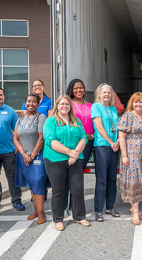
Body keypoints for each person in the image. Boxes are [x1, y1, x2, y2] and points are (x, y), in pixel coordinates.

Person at [44, 95, 90, 231]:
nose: (65, 106)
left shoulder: (76, 120)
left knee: (77, 189)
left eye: (67, 104)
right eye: (62, 104)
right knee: (59, 190)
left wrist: (75, 153)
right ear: (57, 106)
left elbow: (83, 138)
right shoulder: (51, 121)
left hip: (75, 159)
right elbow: (50, 140)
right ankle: (58, 219)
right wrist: (69, 153)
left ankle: (79, 216)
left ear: (70, 106)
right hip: (55, 160)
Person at [118, 92, 142, 225]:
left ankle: (134, 208)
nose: (138, 104)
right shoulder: (127, 116)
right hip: (132, 152)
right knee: (134, 180)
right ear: (131, 103)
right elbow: (121, 137)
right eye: (136, 102)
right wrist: (125, 155)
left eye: (141, 102)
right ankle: (136, 212)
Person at [14, 94, 48, 224]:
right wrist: (23, 153)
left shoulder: (41, 117)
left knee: (38, 182)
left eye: (34, 102)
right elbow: (16, 139)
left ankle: (41, 212)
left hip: (37, 156)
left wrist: (32, 155)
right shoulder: (20, 120)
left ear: (38, 104)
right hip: (24, 157)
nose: (31, 104)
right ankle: (36, 210)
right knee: (31, 185)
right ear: (25, 103)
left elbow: (41, 138)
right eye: (29, 101)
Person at [64, 79, 94, 216]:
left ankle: (73, 206)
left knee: (77, 176)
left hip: (87, 144)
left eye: (81, 88)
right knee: (65, 176)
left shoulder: (91, 106)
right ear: (71, 90)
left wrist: (91, 137)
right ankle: (63, 206)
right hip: (70, 144)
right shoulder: (67, 104)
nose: (78, 90)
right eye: (75, 88)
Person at [91, 84, 121, 221]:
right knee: (101, 179)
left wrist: (118, 142)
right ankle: (98, 210)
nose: (107, 95)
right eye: (104, 92)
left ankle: (110, 207)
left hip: (114, 147)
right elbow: (99, 127)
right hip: (103, 146)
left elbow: (118, 127)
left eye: (109, 92)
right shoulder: (96, 107)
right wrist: (111, 142)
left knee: (112, 179)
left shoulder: (113, 108)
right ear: (99, 94)